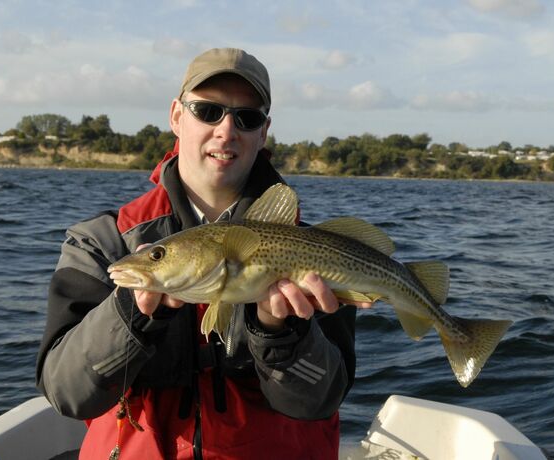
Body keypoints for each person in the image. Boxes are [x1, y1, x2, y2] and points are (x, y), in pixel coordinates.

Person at [36, 48, 366, 459]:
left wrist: (281, 333)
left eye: (247, 118)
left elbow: (319, 401)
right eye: (208, 112)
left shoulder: (312, 252)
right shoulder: (102, 242)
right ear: (176, 116)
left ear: (264, 133)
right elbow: (66, 392)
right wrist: (132, 314)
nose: (226, 131)